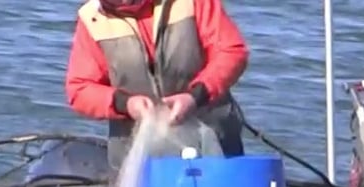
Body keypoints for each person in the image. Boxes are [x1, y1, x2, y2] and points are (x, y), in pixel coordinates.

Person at [65, 0, 249, 170]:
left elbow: (231, 52)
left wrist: (195, 96)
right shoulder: (92, 18)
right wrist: (126, 104)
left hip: (214, 143)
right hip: (137, 159)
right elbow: (80, 88)